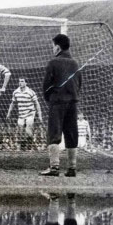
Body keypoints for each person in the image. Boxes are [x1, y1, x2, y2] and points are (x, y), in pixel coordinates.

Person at [40, 34, 82, 177]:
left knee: (54, 133)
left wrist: (50, 98)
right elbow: (79, 83)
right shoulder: (75, 63)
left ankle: (54, 167)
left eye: (53, 46)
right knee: (71, 134)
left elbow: (46, 85)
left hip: (57, 102)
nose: (52, 49)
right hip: (72, 102)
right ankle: (72, 168)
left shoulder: (53, 63)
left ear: (57, 47)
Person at [6, 78, 43, 151]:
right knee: (20, 131)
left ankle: (29, 146)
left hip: (30, 113)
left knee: (28, 130)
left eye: (22, 81)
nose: (20, 83)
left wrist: (40, 116)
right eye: (19, 81)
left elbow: (37, 104)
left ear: (26, 83)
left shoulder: (31, 92)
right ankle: (23, 148)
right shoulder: (15, 92)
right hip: (21, 114)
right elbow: (12, 103)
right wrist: (8, 113)